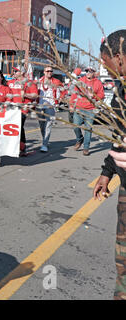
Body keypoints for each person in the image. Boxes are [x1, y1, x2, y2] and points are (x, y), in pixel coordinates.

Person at [92, 29, 126, 300]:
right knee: (123, 262)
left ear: (120, 56)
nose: (105, 68)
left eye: (106, 62)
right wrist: (107, 171)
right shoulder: (121, 90)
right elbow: (117, 135)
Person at [70, 66, 105, 156]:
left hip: (91, 109)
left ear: (94, 72)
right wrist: (71, 105)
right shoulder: (80, 81)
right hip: (79, 107)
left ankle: (86, 148)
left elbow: (102, 95)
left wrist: (93, 96)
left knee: (88, 129)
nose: (88, 73)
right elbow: (74, 94)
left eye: (90, 71)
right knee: (75, 126)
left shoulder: (98, 83)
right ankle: (79, 139)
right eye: (86, 71)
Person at [7, 66, 39, 156]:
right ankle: (16, 146)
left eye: (16, 71)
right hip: (11, 109)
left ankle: (22, 147)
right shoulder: (10, 82)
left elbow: (35, 95)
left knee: (18, 126)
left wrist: (25, 94)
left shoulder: (29, 83)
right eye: (13, 70)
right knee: (12, 127)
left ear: (22, 72)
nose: (14, 72)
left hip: (23, 109)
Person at [37, 66, 64, 153]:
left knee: (48, 124)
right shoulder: (39, 81)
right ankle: (45, 139)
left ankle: (44, 144)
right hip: (40, 105)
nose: (49, 72)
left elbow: (64, 90)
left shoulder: (56, 81)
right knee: (42, 125)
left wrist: (60, 99)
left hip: (51, 106)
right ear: (44, 72)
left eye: (51, 71)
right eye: (47, 71)